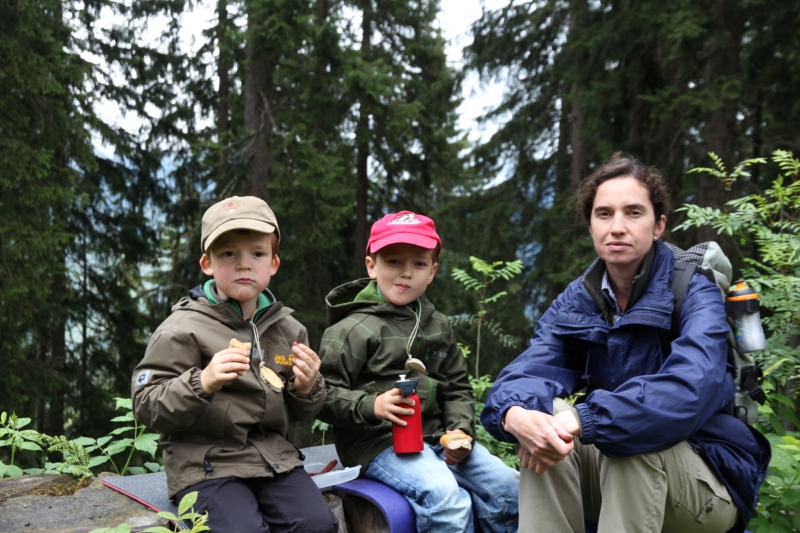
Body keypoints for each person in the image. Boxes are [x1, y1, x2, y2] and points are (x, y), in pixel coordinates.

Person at [481, 154, 771, 533]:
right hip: (616, 475)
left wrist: (586, 418)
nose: (617, 227)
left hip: (707, 482)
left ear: (658, 225)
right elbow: (531, 369)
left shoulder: (694, 290)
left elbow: (691, 387)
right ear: (591, 226)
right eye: (604, 214)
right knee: (547, 425)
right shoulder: (580, 299)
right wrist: (513, 413)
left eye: (633, 213)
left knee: (630, 440)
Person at [132, 196, 338, 533]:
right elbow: (145, 405)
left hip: (274, 460)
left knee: (317, 525)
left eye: (257, 254)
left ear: (273, 263)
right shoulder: (181, 329)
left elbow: (301, 411)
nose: (244, 265)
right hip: (204, 464)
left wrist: (306, 387)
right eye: (229, 254)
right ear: (207, 263)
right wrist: (203, 382)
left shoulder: (289, 330)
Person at [317, 211, 519, 533]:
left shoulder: (438, 325)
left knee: (509, 489)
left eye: (419, 264)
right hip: (378, 443)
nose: (406, 272)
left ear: (432, 272)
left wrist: (460, 430)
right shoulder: (350, 329)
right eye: (394, 261)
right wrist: (372, 406)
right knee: (446, 499)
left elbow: (457, 388)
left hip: (438, 437)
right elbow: (322, 396)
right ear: (372, 266)